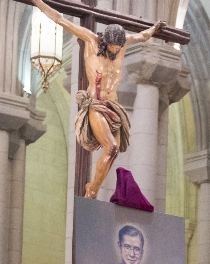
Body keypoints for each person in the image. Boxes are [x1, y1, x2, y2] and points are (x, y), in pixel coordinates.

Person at [31, 0, 164, 199]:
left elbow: (142, 36)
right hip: (96, 105)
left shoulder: (123, 45)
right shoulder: (91, 40)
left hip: (114, 106)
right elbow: (60, 19)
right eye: (113, 47)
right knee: (112, 148)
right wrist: (38, 2)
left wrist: (154, 28)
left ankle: (93, 187)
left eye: (118, 47)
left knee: (114, 152)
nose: (116, 50)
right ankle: (92, 190)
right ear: (105, 41)